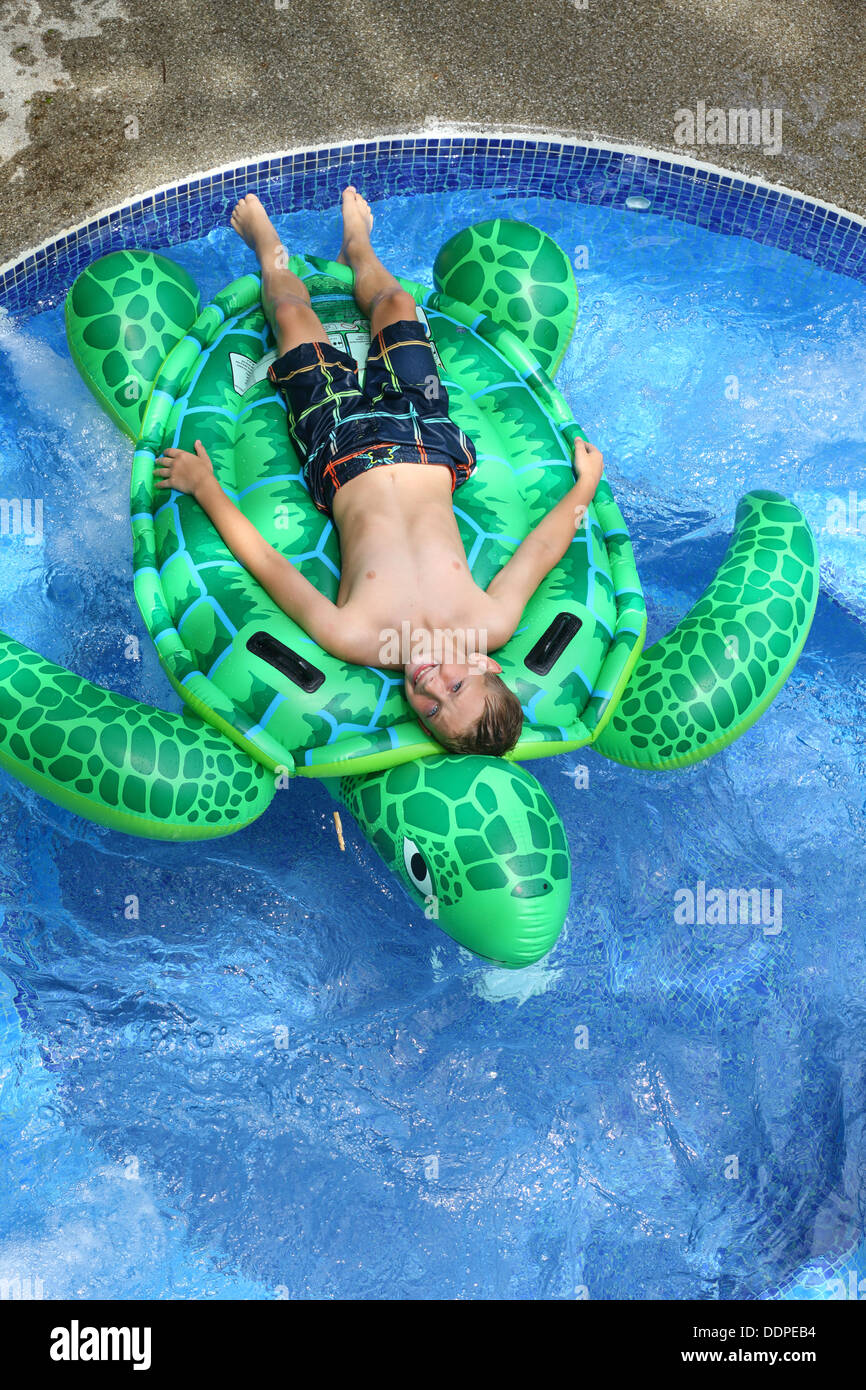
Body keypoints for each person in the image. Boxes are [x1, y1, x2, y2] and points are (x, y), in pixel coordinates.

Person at [154, 189, 604, 755]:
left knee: (294, 318)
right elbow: (541, 551)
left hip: (339, 445)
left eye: (432, 711)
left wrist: (206, 487)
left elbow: (267, 563)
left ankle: (267, 248)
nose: (430, 686)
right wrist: (586, 485)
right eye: (457, 685)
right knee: (394, 304)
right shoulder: (488, 624)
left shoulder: (358, 637)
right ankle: (358, 247)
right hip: (424, 434)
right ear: (486, 663)